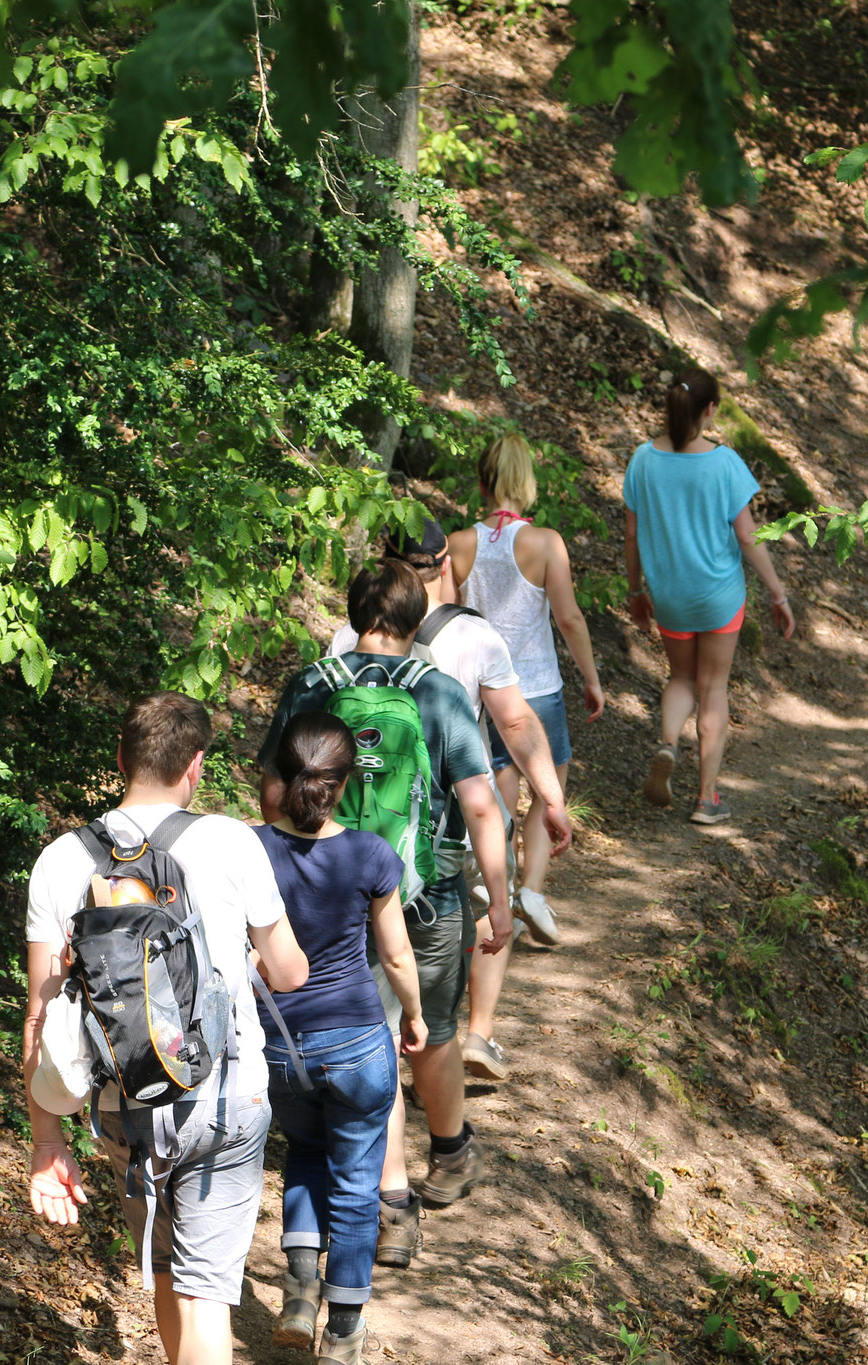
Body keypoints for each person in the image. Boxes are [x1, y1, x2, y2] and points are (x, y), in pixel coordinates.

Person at [22, 693, 310, 1365]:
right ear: (197, 766)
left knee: (164, 1275)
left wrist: (46, 1140)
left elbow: (39, 1011)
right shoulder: (233, 841)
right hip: (224, 1095)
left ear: (121, 758)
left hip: (125, 1100)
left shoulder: (61, 860)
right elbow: (289, 969)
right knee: (205, 1295)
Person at [261, 559, 511, 1271]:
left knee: (368, 1033)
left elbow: (273, 795)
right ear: (416, 617)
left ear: (352, 611)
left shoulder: (311, 685)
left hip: (329, 891)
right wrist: (499, 897)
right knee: (423, 1028)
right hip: (423, 893)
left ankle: (393, 1197)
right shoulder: (439, 694)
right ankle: (440, 1162)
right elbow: (482, 802)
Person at [332, 518, 574, 1081]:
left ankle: (379, 1050)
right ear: (446, 566)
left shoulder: (350, 637)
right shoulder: (476, 635)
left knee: (375, 939)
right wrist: (551, 796)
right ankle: (476, 1036)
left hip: (364, 821)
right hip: (455, 822)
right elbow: (514, 722)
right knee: (489, 912)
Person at [257, 713, 428, 1365]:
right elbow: (398, 955)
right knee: (357, 1181)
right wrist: (414, 1015)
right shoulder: (368, 854)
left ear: (280, 776)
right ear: (344, 782)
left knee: (304, 1148)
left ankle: (300, 1291)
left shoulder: (252, 849)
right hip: (357, 1041)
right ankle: (343, 1330)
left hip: (283, 1046)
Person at [448, 433, 604, 950]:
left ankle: (497, 886)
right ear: (526, 481)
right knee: (548, 789)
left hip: (479, 692)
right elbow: (569, 617)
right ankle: (531, 891)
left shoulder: (459, 544)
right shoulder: (546, 544)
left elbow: (447, 622)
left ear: (483, 481)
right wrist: (591, 678)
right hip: (536, 688)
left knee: (499, 789)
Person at [622, 369, 796, 825]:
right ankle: (706, 799)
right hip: (719, 595)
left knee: (680, 677)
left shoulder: (642, 460)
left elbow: (633, 533)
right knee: (713, 688)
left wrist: (636, 590)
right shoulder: (724, 463)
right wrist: (778, 594)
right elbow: (747, 536)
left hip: (670, 596)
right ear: (711, 410)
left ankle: (666, 742)